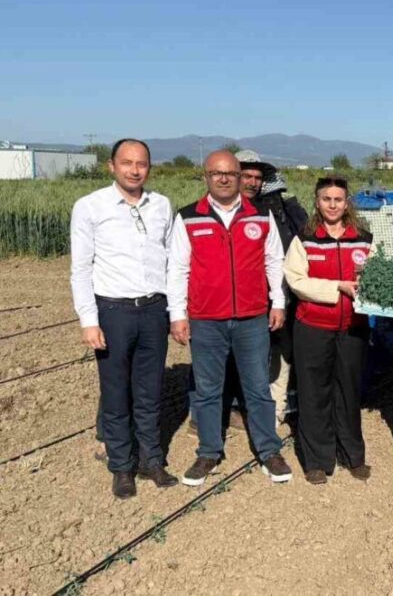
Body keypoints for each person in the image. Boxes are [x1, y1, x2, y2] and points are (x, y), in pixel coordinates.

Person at [167, 150, 293, 486]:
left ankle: (269, 450)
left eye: (230, 173)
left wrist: (277, 302)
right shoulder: (189, 217)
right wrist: (178, 315)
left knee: (257, 388)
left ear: (240, 177)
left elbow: (274, 262)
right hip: (206, 320)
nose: (224, 178)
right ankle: (209, 451)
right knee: (208, 390)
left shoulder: (261, 215)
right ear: (205, 177)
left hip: (252, 318)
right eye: (216, 173)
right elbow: (178, 269)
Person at [70, 138, 178, 499]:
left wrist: (174, 310)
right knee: (116, 394)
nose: (135, 170)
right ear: (112, 166)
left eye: (142, 164)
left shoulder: (161, 205)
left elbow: (171, 263)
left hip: (153, 310)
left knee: (149, 393)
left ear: (149, 168)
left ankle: (151, 460)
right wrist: (89, 319)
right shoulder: (90, 207)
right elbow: (80, 269)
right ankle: (121, 466)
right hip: (112, 311)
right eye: (127, 163)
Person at [284, 176, 373, 485]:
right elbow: (296, 281)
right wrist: (337, 286)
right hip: (313, 327)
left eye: (338, 199)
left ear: (346, 203)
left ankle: (353, 455)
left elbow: (376, 275)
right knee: (313, 393)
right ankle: (316, 460)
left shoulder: (363, 238)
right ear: (317, 201)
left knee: (349, 391)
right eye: (326, 199)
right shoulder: (305, 238)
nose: (332, 205)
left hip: (353, 327)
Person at [238, 151, 308, 426]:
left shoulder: (271, 210)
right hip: (245, 299)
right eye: (247, 175)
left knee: (276, 352)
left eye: (257, 177)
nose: (253, 182)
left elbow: (280, 256)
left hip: (273, 295)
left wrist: (280, 298)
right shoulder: (217, 210)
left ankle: (272, 412)